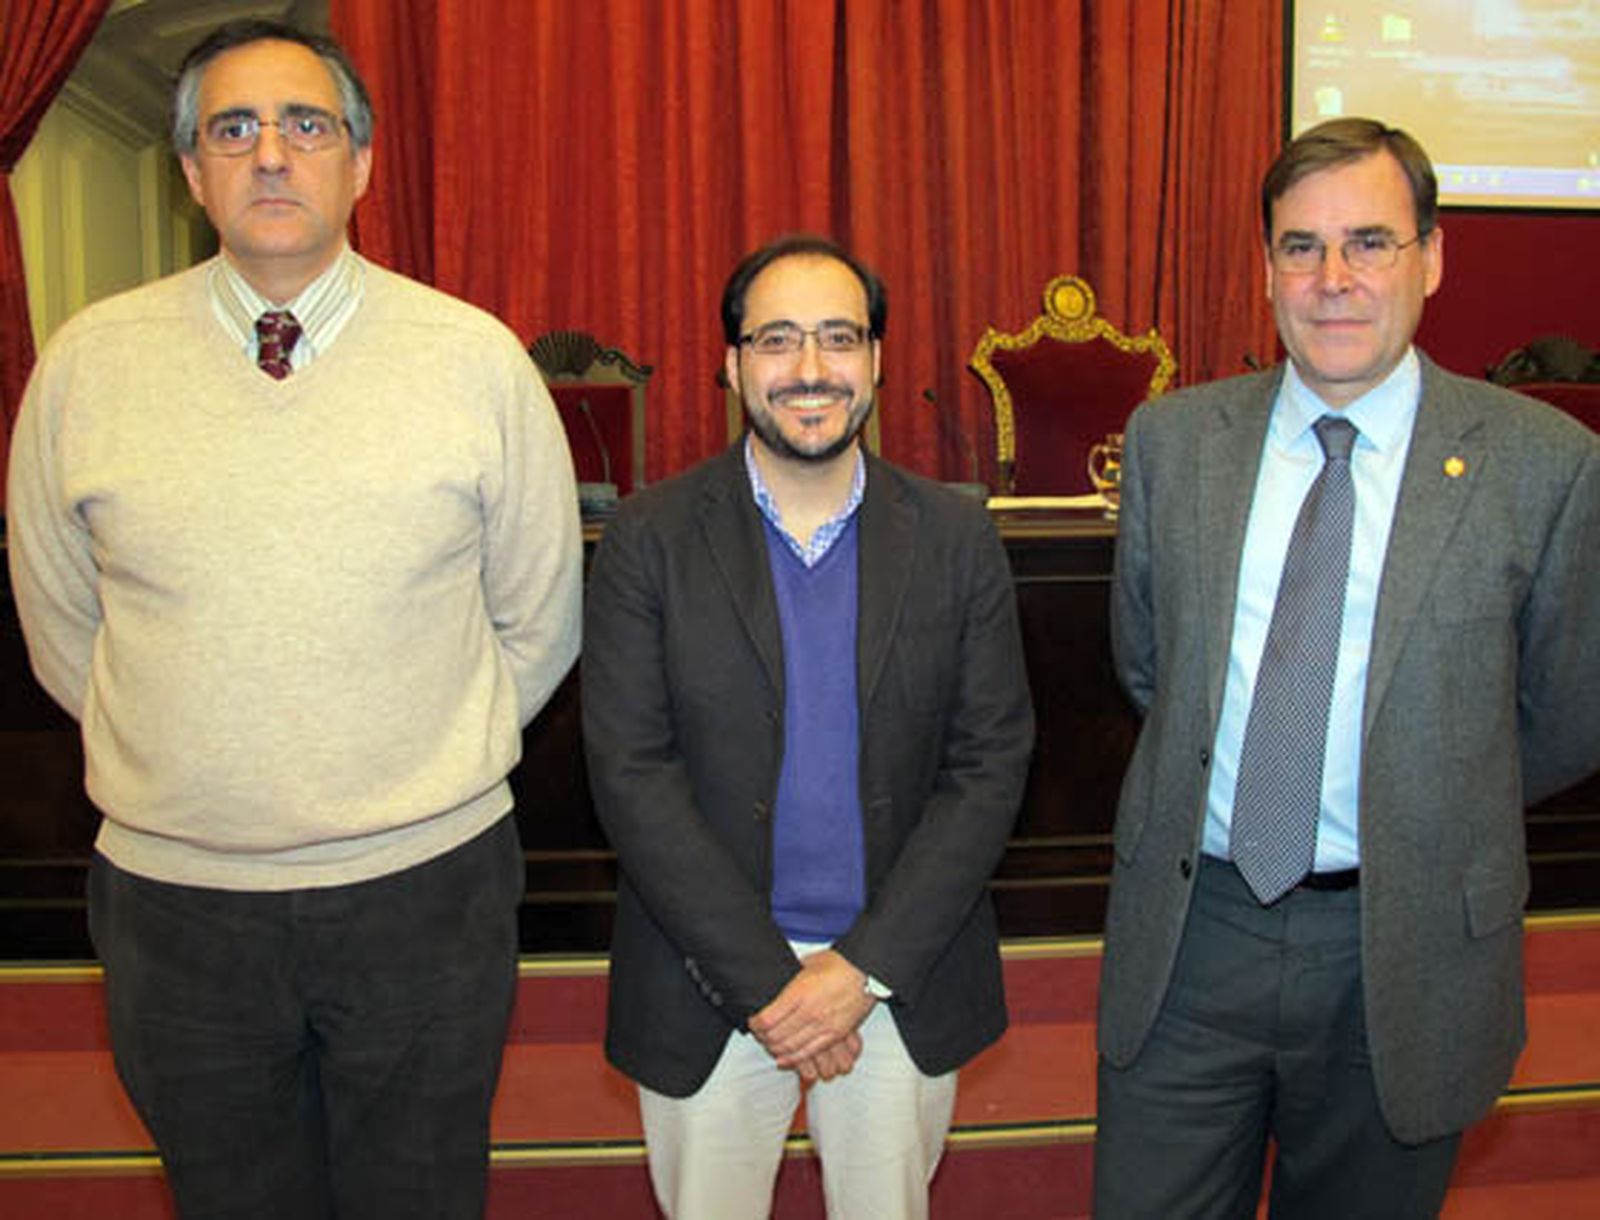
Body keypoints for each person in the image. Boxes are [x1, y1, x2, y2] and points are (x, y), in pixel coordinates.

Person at [6, 19, 582, 1219]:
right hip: (177, 907)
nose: (271, 154)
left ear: (360, 163)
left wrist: (407, 766)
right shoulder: (85, 366)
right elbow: (63, 625)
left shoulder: (472, 361)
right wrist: (200, 760)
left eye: (305, 125)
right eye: (233, 129)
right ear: (192, 172)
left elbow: (537, 621)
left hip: (422, 890)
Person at [1094, 116, 1600, 1218]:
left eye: (1368, 242)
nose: (1332, 279)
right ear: (1264, 264)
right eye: (1299, 246)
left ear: (1430, 255)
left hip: (1404, 947)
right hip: (1193, 935)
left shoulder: (1545, 464)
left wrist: (1431, 794)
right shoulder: (1172, 444)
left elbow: (1565, 711)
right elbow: (1150, 665)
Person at [581, 234, 1034, 1219]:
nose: (811, 369)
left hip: (895, 979)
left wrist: (857, 971)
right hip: (708, 981)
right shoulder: (647, 541)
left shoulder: (956, 539)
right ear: (731, 363)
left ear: (875, 359)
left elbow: (988, 766)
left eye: (839, 337)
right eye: (776, 340)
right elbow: (630, 772)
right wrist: (769, 985)